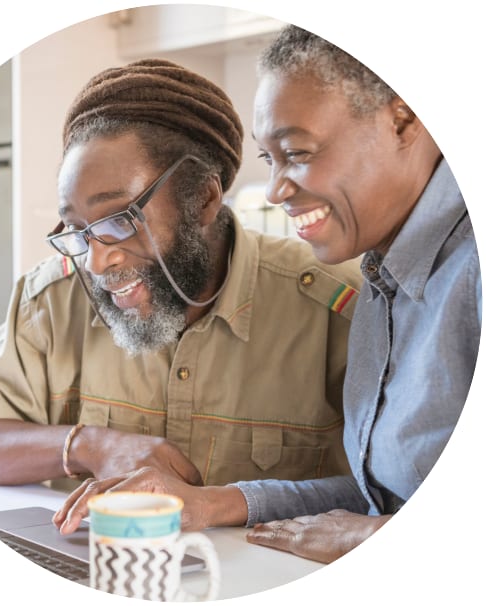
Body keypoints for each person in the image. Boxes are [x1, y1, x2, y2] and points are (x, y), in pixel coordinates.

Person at [53, 27, 481, 564]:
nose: (277, 190)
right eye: (269, 160)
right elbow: (387, 494)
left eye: (297, 152)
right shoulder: (382, 280)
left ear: (404, 118)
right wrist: (209, 503)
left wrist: (370, 540)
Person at [0, 59, 363, 523]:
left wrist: (224, 504)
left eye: (119, 221)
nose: (98, 263)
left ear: (203, 199)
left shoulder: (336, 307)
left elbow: (398, 489)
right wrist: (89, 445)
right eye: (79, 230)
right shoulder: (54, 299)